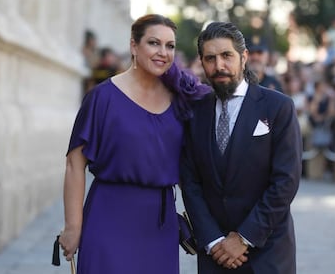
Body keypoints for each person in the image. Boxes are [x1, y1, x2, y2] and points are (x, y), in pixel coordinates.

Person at [58, 14, 209, 274]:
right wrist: (73, 226)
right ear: (133, 46)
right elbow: (74, 164)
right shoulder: (102, 97)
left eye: (170, 45)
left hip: (160, 226)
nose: (163, 52)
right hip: (109, 216)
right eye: (154, 43)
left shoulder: (181, 100)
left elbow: (189, 168)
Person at [180, 22, 302, 273]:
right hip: (214, 254)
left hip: (267, 251)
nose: (219, 65)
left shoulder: (278, 107)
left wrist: (243, 237)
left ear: (243, 57)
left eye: (227, 56)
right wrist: (213, 240)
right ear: (202, 63)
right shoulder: (195, 112)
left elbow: (286, 181)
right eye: (210, 58)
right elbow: (190, 182)